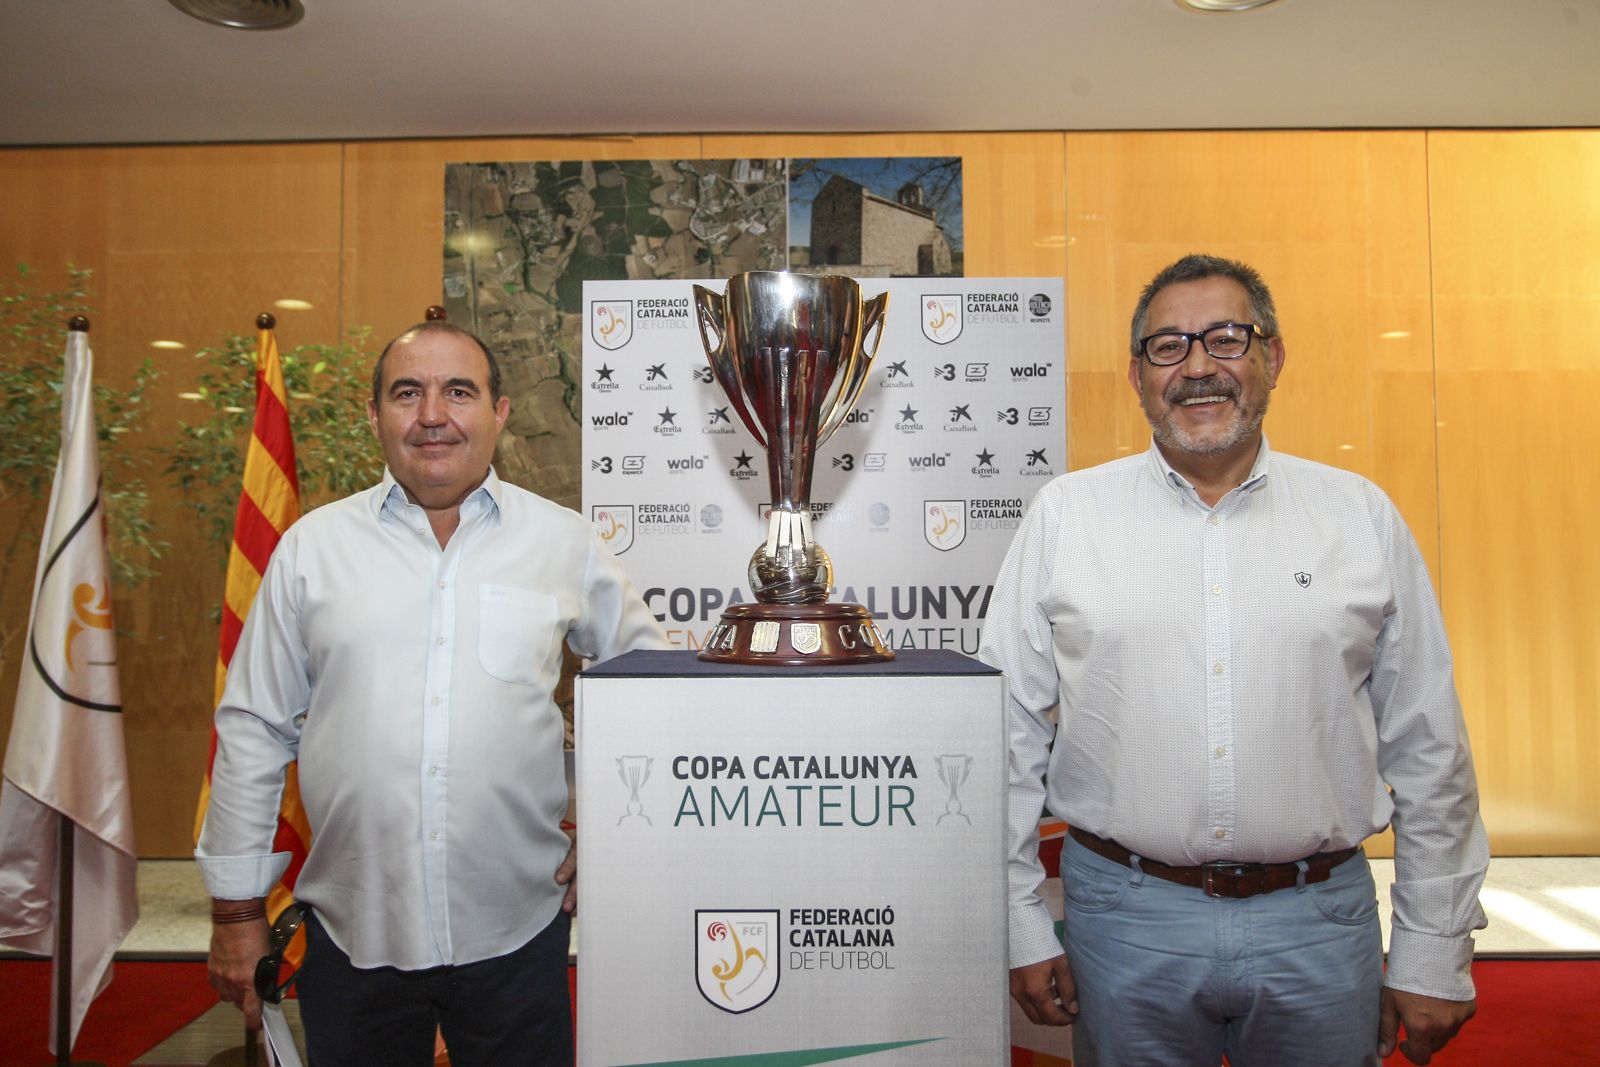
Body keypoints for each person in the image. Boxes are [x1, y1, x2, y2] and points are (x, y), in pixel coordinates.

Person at [981, 254, 1488, 1067]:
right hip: (1123, 918)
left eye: (1224, 337)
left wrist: (1435, 947)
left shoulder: (1359, 515)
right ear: (1138, 375)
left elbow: (1431, 748)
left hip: (1318, 921)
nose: (1198, 367)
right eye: (1168, 346)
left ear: (1272, 357)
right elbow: (1003, 735)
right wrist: (1017, 921)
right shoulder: (1066, 517)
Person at [197, 320, 669, 1066]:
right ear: (376, 414)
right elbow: (252, 728)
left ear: (499, 411)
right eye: (407, 393)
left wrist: (619, 827)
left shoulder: (565, 543)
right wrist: (236, 910)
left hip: (518, 929)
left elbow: (652, 690)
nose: (432, 415)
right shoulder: (310, 551)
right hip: (353, 932)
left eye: (459, 391)